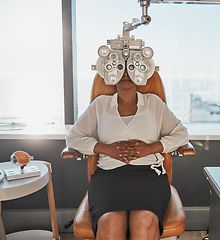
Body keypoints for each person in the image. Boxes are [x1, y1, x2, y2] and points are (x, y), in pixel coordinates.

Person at [65, 67, 189, 240]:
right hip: (108, 177)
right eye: (120, 69)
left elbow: (182, 135)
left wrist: (150, 148)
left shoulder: (153, 103)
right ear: (110, 75)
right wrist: (106, 149)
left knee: (143, 221)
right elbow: (72, 138)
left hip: (148, 175)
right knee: (110, 223)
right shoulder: (100, 104)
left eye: (130, 68)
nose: (125, 74)